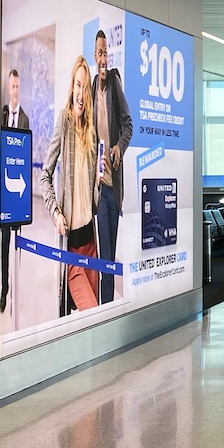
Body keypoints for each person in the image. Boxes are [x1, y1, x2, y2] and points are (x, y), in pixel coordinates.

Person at [40, 55, 101, 314]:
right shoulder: (63, 123)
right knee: (91, 311)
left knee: (91, 318)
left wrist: (101, 182)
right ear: (72, 87)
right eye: (77, 85)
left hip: (91, 242)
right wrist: (55, 214)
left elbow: (93, 201)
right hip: (72, 248)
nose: (80, 93)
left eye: (85, 87)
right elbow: (44, 175)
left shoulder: (91, 132)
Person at [91, 29, 133, 304]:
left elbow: (129, 125)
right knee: (103, 258)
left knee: (109, 256)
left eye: (107, 52)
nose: (104, 57)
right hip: (97, 186)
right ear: (95, 56)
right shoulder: (93, 86)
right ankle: (104, 313)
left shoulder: (115, 82)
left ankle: (106, 313)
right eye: (100, 52)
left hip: (112, 188)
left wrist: (119, 148)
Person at [0, 68, 30, 313]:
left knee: (13, 243)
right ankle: (2, 288)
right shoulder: (1, 115)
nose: (15, 91)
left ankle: (11, 290)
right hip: (2, 193)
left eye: (18, 87)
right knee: (2, 244)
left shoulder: (25, 120)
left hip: (17, 194)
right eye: (12, 87)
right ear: (8, 88)